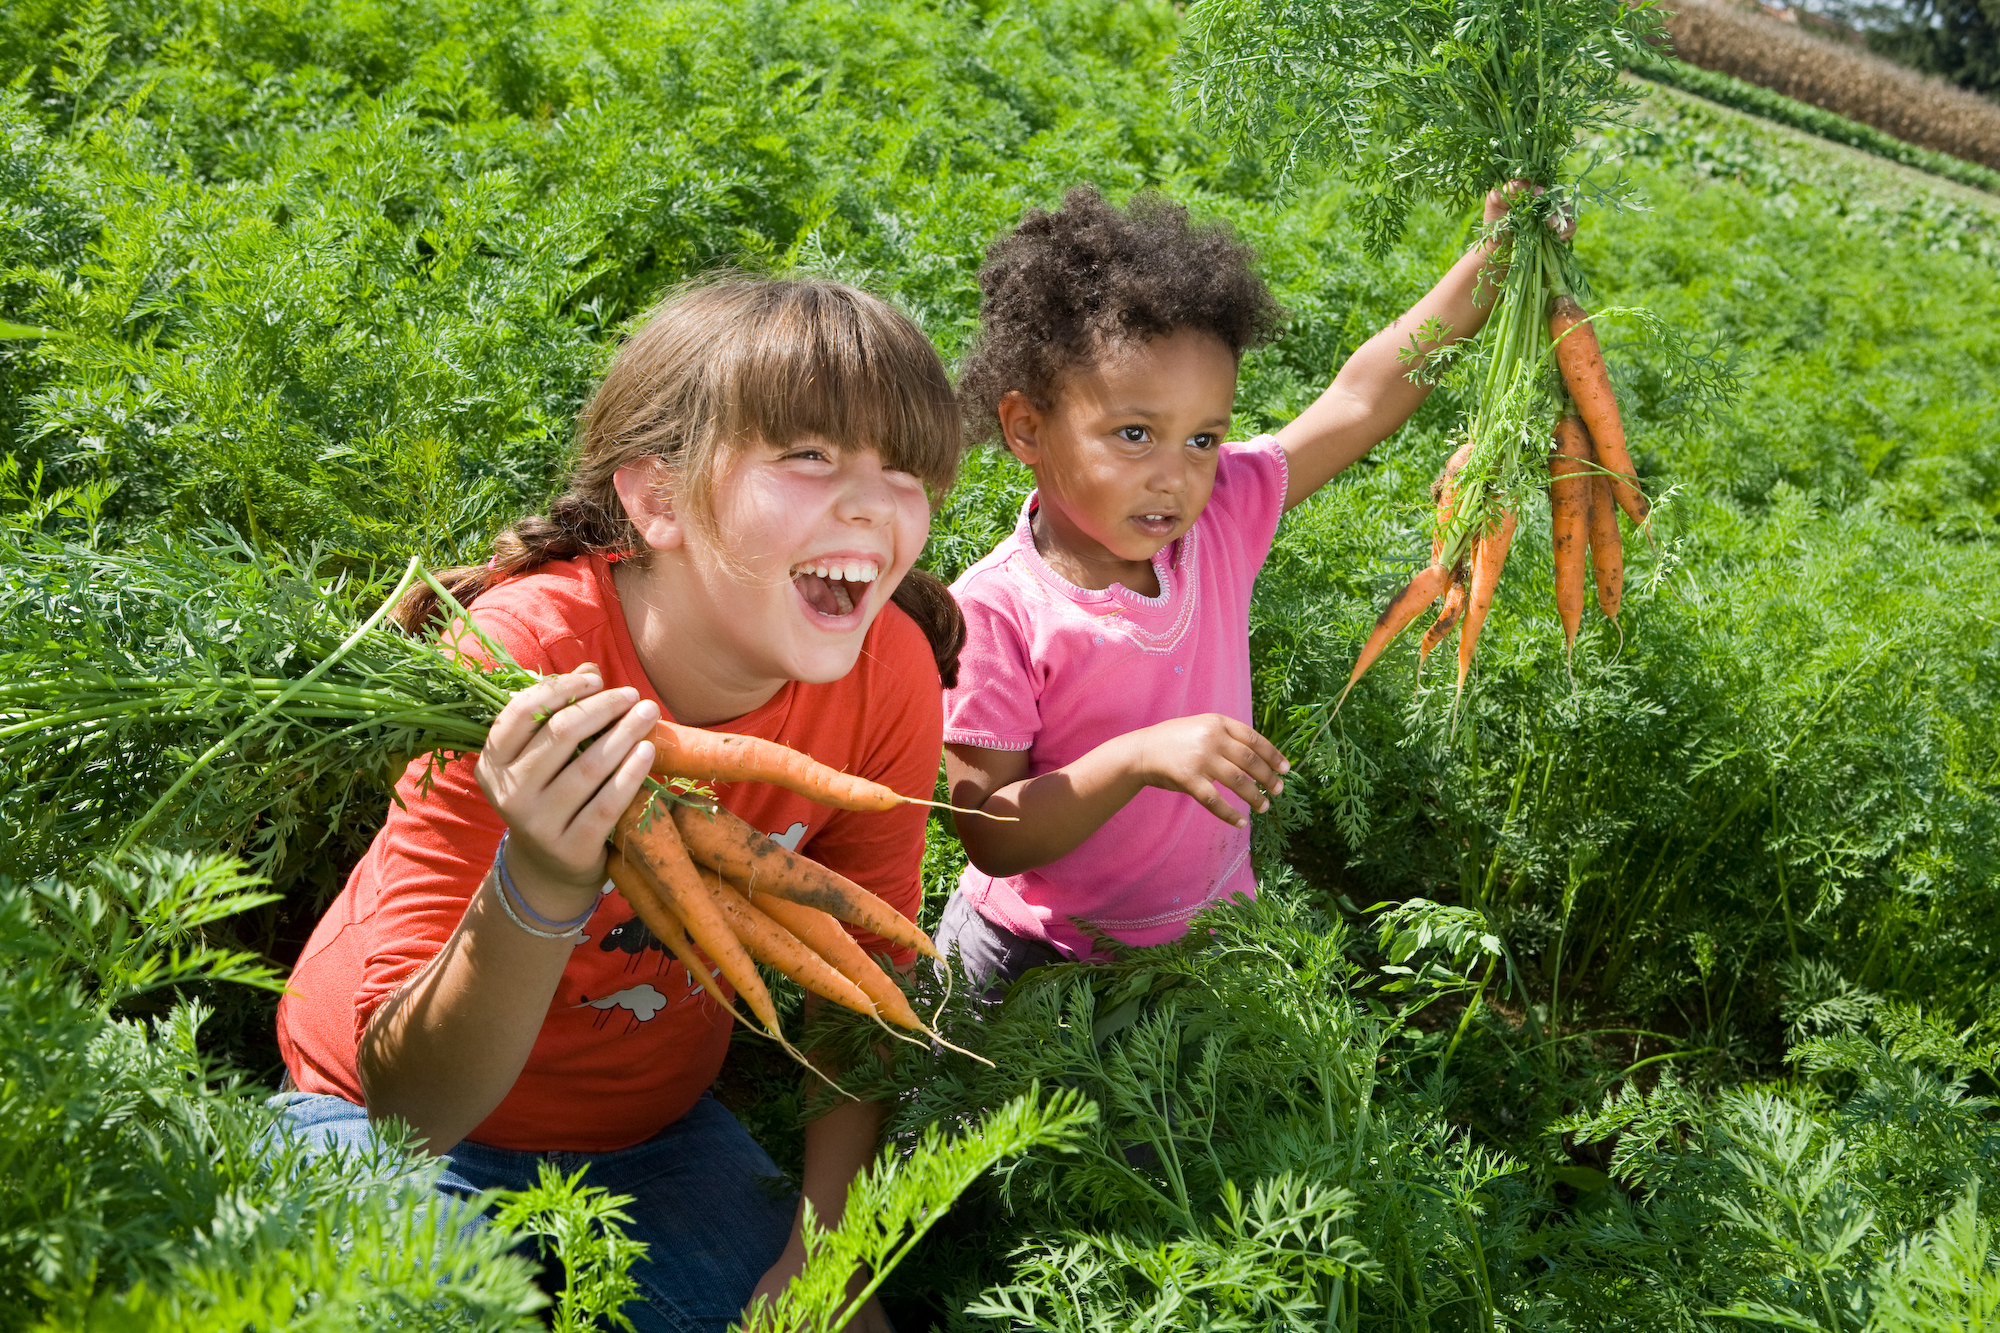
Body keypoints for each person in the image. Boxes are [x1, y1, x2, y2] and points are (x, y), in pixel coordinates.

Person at [274, 278, 962, 1333]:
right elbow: (414, 1106)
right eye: (810, 457)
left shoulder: (890, 673)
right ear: (654, 499)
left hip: (649, 1136)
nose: (873, 503)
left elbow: (856, 994)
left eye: (905, 470)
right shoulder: (522, 663)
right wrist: (542, 879)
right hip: (371, 1109)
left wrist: (834, 1257)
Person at [937, 183, 1571, 989]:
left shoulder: (1220, 519)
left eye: (1204, 437)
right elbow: (990, 830)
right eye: (1135, 434)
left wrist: (1493, 262)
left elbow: (1359, 396)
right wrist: (1135, 758)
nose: (1175, 476)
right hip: (1030, 960)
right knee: (977, 1119)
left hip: (1197, 947)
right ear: (1027, 426)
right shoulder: (997, 608)